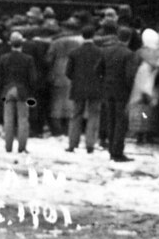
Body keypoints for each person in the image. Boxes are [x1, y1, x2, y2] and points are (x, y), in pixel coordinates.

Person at [0, 31, 37, 153]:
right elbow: (33, 78)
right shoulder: (28, 59)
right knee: (23, 119)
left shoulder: (4, 58)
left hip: (7, 90)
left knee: (8, 119)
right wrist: (30, 91)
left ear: (10, 44)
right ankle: (22, 147)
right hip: (22, 91)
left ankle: (8, 146)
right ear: (22, 43)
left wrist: (0, 90)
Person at [65, 25, 106, 153]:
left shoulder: (74, 53)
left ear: (82, 35)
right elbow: (103, 71)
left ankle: (72, 144)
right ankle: (90, 144)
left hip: (78, 87)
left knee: (76, 115)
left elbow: (68, 72)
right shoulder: (100, 52)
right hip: (95, 88)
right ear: (93, 35)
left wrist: (77, 79)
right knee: (94, 116)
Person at [101, 24, 138, 161]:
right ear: (129, 39)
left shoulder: (106, 51)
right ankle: (117, 152)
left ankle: (112, 149)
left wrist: (104, 81)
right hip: (122, 92)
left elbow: (97, 69)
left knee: (110, 120)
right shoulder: (129, 54)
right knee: (120, 122)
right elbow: (129, 75)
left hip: (108, 89)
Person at [47, 18, 83, 137]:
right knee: (71, 102)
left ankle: (57, 129)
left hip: (58, 72)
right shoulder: (81, 41)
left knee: (56, 102)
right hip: (75, 72)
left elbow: (48, 59)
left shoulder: (56, 41)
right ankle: (69, 129)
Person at [129, 29, 159, 144]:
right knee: (151, 109)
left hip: (140, 81)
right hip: (153, 83)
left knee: (140, 108)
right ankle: (150, 133)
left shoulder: (139, 52)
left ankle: (139, 134)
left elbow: (133, 67)